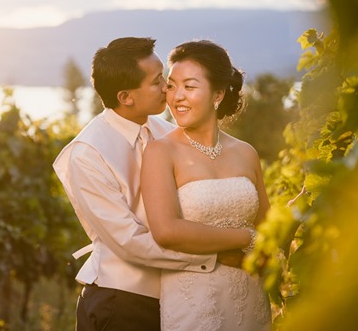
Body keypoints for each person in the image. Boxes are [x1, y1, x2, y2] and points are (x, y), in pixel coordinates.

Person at [53, 37, 255, 331]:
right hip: (122, 301)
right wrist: (214, 257)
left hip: (179, 298)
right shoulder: (87, 153)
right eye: (157, 81)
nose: (168, 88)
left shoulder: (166, 131)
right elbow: (130, 242)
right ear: (126, 97)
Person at [141, 39, 272, 331]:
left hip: (250, 297)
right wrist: (244, 238)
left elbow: (267, 227)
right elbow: (166, 231)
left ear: (218, 94)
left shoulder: (246, 152)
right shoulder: (160, 151)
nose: (176, 97)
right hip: (193, 303)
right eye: (172, 86)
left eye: (189, 86)